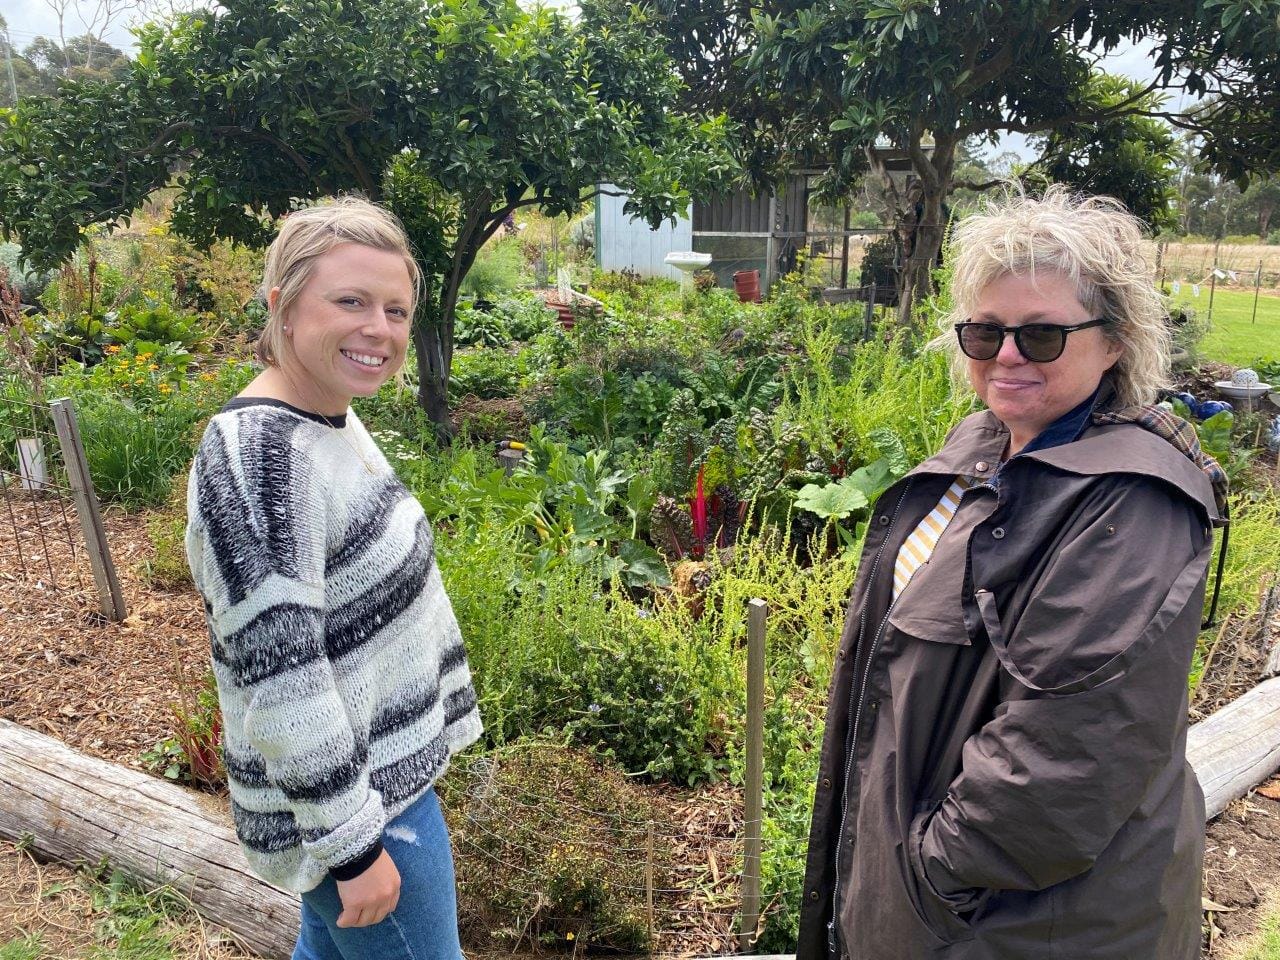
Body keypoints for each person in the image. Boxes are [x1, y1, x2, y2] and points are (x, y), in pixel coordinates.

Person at [797, 185, 1228, 960]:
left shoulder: (1131, 503)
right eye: (985, 332)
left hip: (1023, 925)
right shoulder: (984, 445)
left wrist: (931, 878)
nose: (1005, 356)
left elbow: (1066, 760)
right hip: (940, 903)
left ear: (1115, 340)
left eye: (1041, 337)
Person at [185, 197, 482, 960]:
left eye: (395, 309)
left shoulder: (329, 416)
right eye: (349, 301)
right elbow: (284, 683)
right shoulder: (262, 461)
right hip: (367, 819)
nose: (378, 329)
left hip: (382, 789)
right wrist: (354, 853)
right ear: (283, 305)